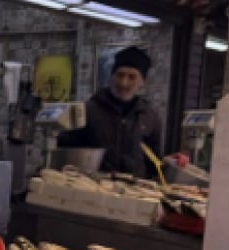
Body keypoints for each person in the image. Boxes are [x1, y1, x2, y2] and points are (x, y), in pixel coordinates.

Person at [58, 46, 162, 178]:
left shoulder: (149, 117)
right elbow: (66, 150)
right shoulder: (87, 111)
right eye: (120, 75)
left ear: (142, 82)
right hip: (93, 188)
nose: (124, 83)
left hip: (134, 191)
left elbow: (155, 162)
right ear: (112, 77)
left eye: (132, 77)